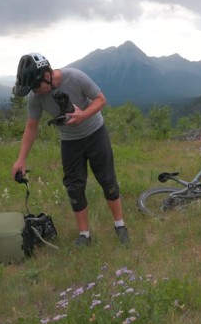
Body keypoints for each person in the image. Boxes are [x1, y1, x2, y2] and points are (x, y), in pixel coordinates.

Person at [11, 52, 129, 247]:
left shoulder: (75, 77)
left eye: (36, 85)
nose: (35, 91)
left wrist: (83, 115)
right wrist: (21, 159)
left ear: (47, 75)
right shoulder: (35, 96)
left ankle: (120, 225)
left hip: (96, 134)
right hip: (70, 141)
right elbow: (31, 127)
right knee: (74, 188)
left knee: (108, 180)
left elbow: (101, 99)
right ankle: (84, 235)